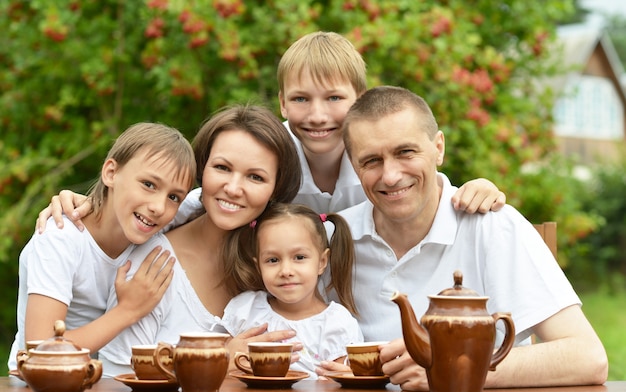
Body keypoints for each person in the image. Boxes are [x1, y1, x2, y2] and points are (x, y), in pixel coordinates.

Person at [36, 32, 506, 233]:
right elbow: (210, 197)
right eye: (300, 99)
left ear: (359, 100)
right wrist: (93, 206)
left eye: (334, 100)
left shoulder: (375, 157)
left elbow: (418, 184)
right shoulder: (270, 150)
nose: (317, 115)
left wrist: (476, 189)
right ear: (282, 103)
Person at [316, 85, 608, 390]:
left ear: (438, 148)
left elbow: (587, 357)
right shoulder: (331, 240)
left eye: (405, 152)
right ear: (353, 165)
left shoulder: (492, 225)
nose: (390, 175)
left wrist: (450, 366)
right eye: (372, 161)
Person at [96, 104, 305, 377]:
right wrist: (215, 363)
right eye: (222, 167)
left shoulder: (282, 265)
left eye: (255, 177)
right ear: (202, 169)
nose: (232, 188)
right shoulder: (151, 265)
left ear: (275, 188)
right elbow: (116, 381)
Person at [8, 122, 197, 371]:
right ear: (111, 173)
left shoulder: (154, 222)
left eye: (174, 197)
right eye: (149, 184)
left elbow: (211, 199)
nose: (159, 207)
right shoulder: (60, 239)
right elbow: (40, 352)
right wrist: (127, 311)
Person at [221, 202, 363, 379]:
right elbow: (222, 368)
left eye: (299, 257)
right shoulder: (246, 309)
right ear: (258, 266)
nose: (286, 271)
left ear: (322, 262)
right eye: (273, 260)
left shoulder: (337, 324)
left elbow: (342, 384)